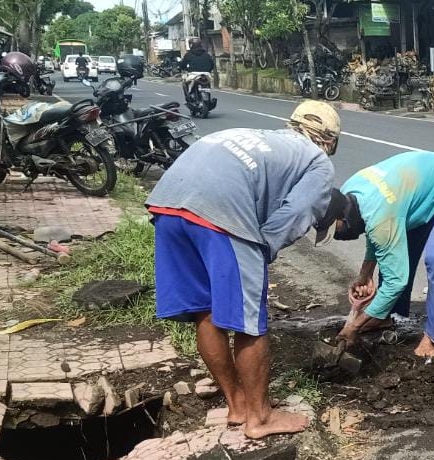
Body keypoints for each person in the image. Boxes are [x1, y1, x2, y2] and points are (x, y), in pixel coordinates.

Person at [145, 101, 344, 438]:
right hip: (219, 213)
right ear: (329, 140)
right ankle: (260, 419)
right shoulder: (317, 161)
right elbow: (298, 212)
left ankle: (237, 405)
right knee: (249, 322)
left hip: (168, 205)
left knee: (204, 312)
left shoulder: (252, 134)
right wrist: (260, 249)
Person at [332, 151, 434, 358]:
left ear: (345, 218)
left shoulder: (376, 214)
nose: (335, 235)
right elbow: (374, 228)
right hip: (413, 196)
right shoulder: (347, 196)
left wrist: (355, 325)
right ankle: (388, 316)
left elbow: (396, 279)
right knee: (396, 254)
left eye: (335, 230)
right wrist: (365, 273)